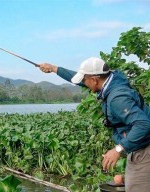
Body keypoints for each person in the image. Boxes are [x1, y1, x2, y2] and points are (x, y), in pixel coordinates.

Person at [39, 57, 150, 191]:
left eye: (85, 80)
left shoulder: (117, 98)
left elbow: (143, 124)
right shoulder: (112, 79)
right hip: (139, 146)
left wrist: (118, 149)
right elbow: (80, 79)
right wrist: (53, 68)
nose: (83, 84)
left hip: (144, 149)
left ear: (94, 79)